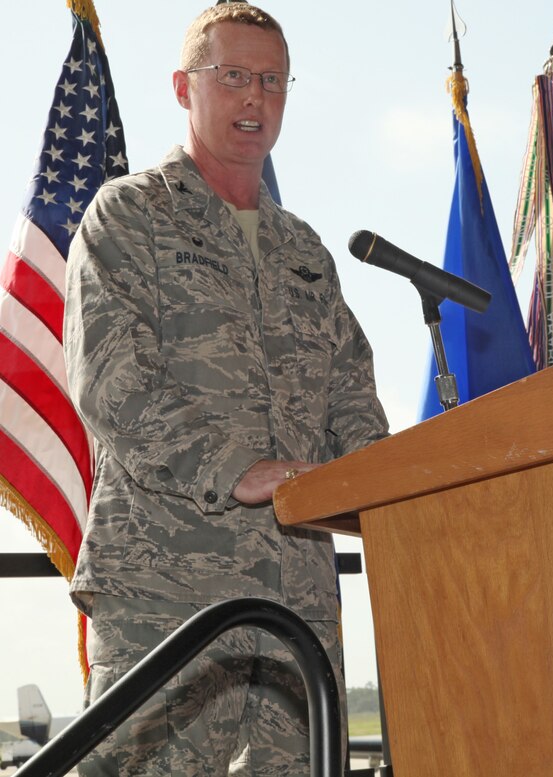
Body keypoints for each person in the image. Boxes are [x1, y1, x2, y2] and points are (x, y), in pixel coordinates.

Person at [63, 4, 388, 774]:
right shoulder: (129, 216)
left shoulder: (304, 251)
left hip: (296, 615)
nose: (254, 97)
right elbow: (110, 379)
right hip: (167, 600)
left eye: (273, 81)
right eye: (234, 75)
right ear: (184, 87)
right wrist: (233, 468)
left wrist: (397, 486)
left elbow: (353, 404)